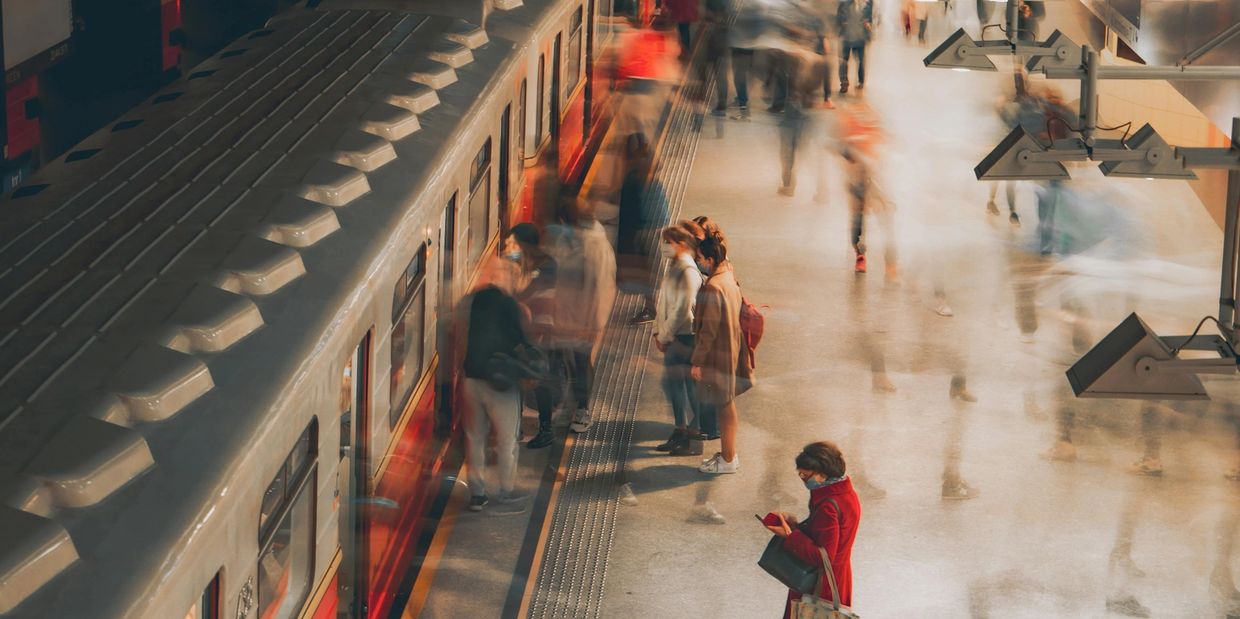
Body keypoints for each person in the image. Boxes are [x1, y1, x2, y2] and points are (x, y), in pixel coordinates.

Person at [461, 266, 532, 512]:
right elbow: (521, 341)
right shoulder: (509, 305)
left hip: (471, 379)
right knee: (506, 441)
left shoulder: (475, 300)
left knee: (474, 438)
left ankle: (477, 495)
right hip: (500, 383)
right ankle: (506, 490)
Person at [764, 441, 861, 619]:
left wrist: (790, 536)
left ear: (822, 475)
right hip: (838, 577)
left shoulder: (827, 506)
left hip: (819, 584)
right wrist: (797, 525)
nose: (802, 478)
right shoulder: (845, 494)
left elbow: (822, 556)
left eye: (805, 476)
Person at [546, 198, 618, 434]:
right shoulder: (574, 239)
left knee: (580, 363)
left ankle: (583, 410)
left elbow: (600, 288)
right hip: (566, 314)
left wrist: (594, 323)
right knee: (569, 362)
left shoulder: (593, 247)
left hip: (583, 318)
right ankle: (572, 406)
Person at [693, 230, 753, 474]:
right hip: (731, 348)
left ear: (708, 259)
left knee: (725, 406)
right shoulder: (728, 276)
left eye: (699, 257)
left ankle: (728, 459)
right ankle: (728, 455)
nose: (697, 261)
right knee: (726, 404)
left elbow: (707, 330)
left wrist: (697, 362)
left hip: (719, 355)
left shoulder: (713, 287)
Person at [653, 225, 705, 456]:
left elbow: (682, 309)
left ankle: (694, 439)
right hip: (674, 336)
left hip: (685, 337)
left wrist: (664, 335)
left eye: (668, 242)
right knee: (675, 386)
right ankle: (680, 430)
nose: (664, 247)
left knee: (690, 390)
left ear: (682, 244)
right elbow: (663, 302)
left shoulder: (688, 272)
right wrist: (657, 330)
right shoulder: (674, 268)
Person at [508, 224, 560, 449]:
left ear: (523, 242)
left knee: (540, 381)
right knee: (520, 376)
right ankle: (517, 426)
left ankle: (546, 429)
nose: (512, 246)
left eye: (514, 242)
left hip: (541, 329)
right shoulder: (523, 262)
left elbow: (529, 292)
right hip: (523, 328)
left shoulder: (547, 265)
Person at [616, 133, 668, 323]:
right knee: (649, 268)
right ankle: (651, 306)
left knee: (648, 269)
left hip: (648, 225)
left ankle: (651, 309)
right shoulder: (643, 167)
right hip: (653, 221)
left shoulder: (640, 170)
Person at [836, 0, 873, 94]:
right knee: (843, 61)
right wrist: (841, 26)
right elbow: (838, 18)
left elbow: (869, 19)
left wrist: (868, 27)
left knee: (861, 61)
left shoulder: (868, 4)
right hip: (847, 37)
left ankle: (861, 81)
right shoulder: (843, 3)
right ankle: (844, 82)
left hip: (860, 38)